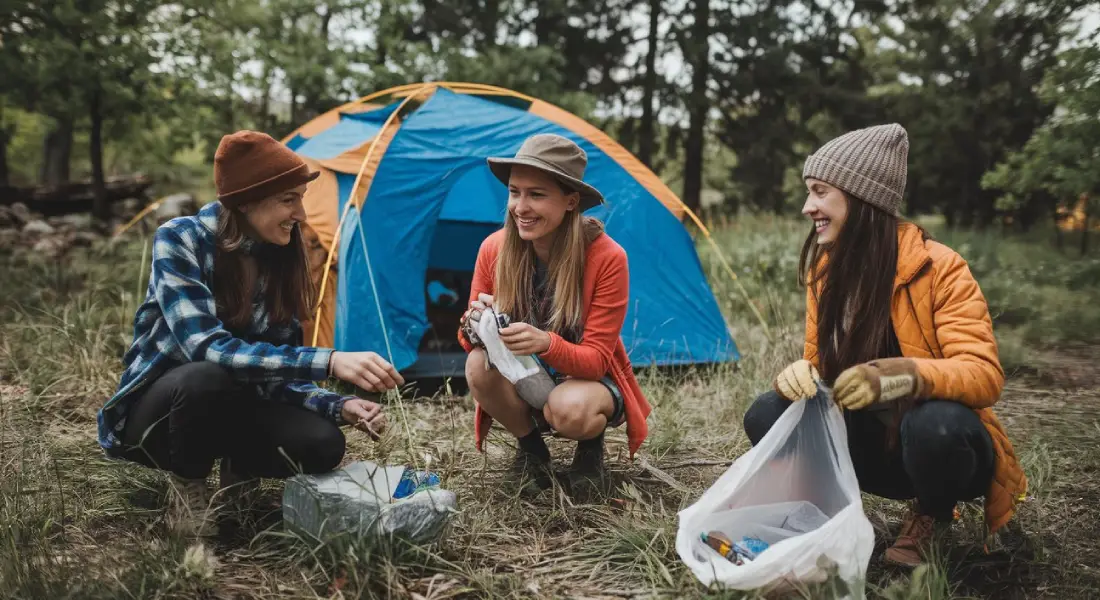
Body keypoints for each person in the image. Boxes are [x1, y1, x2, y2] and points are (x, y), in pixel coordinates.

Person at [742, 124, 1027, 567]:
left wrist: (905, 376)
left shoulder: (941, 268)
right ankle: (824, 511)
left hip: (939, 450)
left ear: (861, 197)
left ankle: (931, 515)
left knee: (937, 423)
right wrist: (796, 377)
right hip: (872, 446)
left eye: (819, 191)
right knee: (766, 413)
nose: (807, 207)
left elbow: (984, 375)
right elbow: (820, 369)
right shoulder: (826, 272)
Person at [96, 131, 404, 536]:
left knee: (323, 442)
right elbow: (205, 348)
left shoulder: (279, 255)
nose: (301, 215)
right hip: (161, 418)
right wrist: (331, 360)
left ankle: (237, 472)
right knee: (206, 376)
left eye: (300, 198)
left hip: (230, 406)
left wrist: (336, 405)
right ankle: (189, 488)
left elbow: (274, 372)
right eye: (288, 199)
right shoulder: (180, 239)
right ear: (245, 201)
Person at [456, 133, 651, 495]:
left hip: (587, 383)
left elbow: (595, 361)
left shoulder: (607, 258)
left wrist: (545, 342)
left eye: (537, 194)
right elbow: (467, 339)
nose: (521, 207)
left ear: (571, 202)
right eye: (515, 192)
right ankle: (532, 451)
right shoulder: (494, 249)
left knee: (570, 408)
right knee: (476, 366)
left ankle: (590, 447)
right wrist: (474, 325)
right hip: (523, 373)